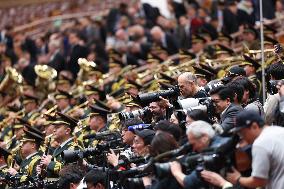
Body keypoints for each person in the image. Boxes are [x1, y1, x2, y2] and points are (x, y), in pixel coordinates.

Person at [227, 110, 284, 189]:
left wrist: (238, 178)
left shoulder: (260, 143)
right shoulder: (279, 130)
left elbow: (259, 181)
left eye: (243, 133)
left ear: (254, 126)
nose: (243, 138)